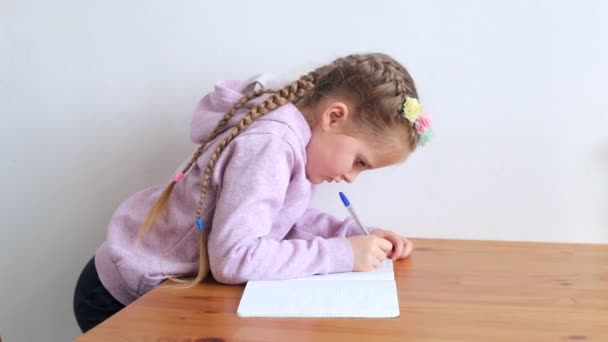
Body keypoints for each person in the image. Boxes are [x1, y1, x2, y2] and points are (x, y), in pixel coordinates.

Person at [73, 52, 433, 332]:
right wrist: (341, 254)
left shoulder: (289, 139)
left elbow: (278, 218)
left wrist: (354, 235)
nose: (352, 178)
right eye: (360, 162)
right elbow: (234, 259)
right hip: (120, 299)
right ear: (333, 116)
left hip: (150, 286)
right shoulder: (272, 145)